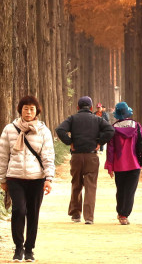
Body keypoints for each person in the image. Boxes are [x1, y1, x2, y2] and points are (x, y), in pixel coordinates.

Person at [0, 95, 56, 262]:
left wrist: (49, 178)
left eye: (31, 109)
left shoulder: (43, 131)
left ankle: (29, 249)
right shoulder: (9, 129)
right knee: (19, 210)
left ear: (37, 111)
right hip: (15, 178)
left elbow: (48, 156)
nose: (28, 112)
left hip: (37, 179)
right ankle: (18, 248)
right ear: (20, 110)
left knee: (33, 214)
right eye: (25, 109)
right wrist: (2, 179)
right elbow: (2, 155)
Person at [55, 95, 114, 225]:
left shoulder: (72, 119)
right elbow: (110, 130)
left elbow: (60, 130)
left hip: (76, 156)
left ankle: (76, 214)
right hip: (91, 156)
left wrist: (69, 142)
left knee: (76, 184)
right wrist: (100, 142)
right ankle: (89, 217)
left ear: (78, 107)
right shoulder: (97, 119)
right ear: (91, 108)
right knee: (90, 186)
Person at [104, 101, 142, 225]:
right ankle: (124, 215)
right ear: (127, 113)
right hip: (134, 164)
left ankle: (121, 212)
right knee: (130, 191)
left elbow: (110, 149)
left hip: (119, 165)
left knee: (120, 189)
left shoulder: (113, 128)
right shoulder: (136, 126)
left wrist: (110, 166)